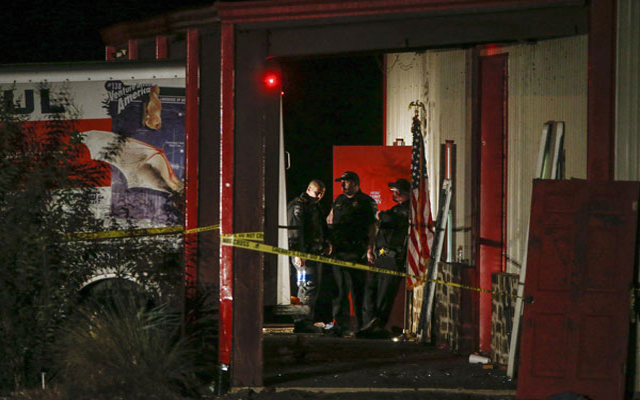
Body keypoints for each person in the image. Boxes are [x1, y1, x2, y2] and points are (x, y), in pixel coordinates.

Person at [326, 171, 377, 336]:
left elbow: (372, 227)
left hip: (356, 251)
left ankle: (362, 326)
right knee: (339, 291)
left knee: (358, 291)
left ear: (355, 183)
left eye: (346, 182)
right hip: (339, 251)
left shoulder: (366, 202)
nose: (342, 185)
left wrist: (370, 248)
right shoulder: (339, 200)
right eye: (341, 182)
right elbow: (330, 219)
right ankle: (341, 326)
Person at [359, 178, 411, 338]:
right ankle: (368, 324)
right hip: (381, 256)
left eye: (396, 191)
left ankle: (377, 327)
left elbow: (395, 220)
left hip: (393, 259)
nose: (394, 194)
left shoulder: (408, 210)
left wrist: (381, 215)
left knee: (384, 295)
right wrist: (372, 248)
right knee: (370, 291)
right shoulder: (396, 209)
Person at [287, 179, 329, 333]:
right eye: (317, 193)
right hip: (304, 255)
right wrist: (298, 253)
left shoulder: (315, 206)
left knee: (312, 287)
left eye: (322, 193)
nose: (319, 196)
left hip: (315, 253)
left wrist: (327, 242)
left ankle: (307, 320)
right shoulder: (298, 206)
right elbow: (294, 231)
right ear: (309, 189)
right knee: (306, 286)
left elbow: (320, 228)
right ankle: (301, 321)